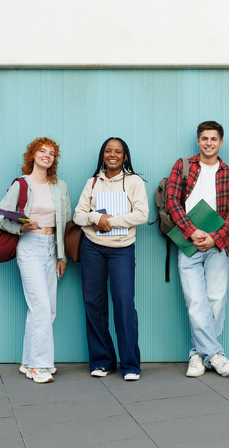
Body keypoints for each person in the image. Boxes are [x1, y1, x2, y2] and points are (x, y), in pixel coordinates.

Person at [0, 137, 72, 384]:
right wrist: (23, 229)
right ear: (33, 156)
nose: (47, 155)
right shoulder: (21, 185)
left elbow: (65, 224)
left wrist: (62, 256)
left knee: (48, 309)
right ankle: (41, 365)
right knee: (40, 307)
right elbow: (0, 219)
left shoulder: (60, 186)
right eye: (42, 151)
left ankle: (28, 362)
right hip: (29, 248)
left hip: (52, 248)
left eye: (51, 153)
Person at [166, 121, 229, 377]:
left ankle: (198, 354)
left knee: (216, 299)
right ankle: (215, 355)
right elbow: (172, 201)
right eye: (204, 138)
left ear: (220, 143)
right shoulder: (183, 166)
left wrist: (214, 237)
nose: (209, 143)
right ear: (198, 141)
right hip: (188, 243)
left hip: (218, 244)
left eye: (214, 139)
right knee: (196, 300)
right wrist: (192, 231)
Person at [73, 137, 149, 381]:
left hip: (121, 249)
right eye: (108, 151)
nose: (113, 155)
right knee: (93, 304)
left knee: (124, 303)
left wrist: (110, 221)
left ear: (125, 156)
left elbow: (142, 214)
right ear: (103, 154)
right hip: (91, 248)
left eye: (118, 151)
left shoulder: (134, 181)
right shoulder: (93, 182)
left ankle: (130, 365)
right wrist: (96, 218)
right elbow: (77, 215)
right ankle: (102, 361)